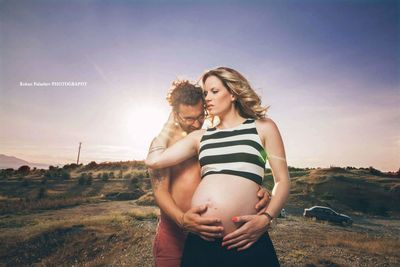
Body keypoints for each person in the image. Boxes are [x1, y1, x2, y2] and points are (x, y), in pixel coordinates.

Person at [147, 67, 290, 266]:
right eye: (205, 93)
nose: (207, 98)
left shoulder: (264, 127)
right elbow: (154, 160)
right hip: (200, 242)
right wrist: (169, 123)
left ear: (232, 93)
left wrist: (266, 217)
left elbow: (282, 180)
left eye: (214, 91)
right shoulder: (201, 136)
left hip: (247, 240)